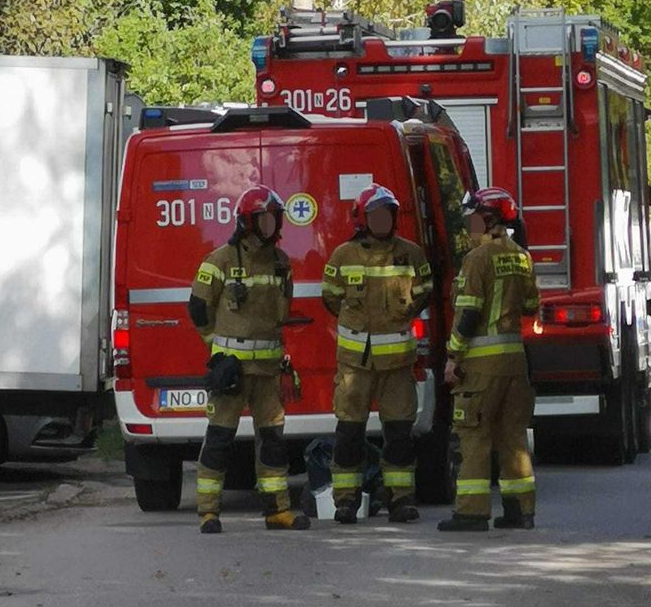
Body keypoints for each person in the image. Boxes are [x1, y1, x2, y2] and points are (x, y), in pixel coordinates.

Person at [188, 185, 310, 534]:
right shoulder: (219, 261)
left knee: (272, 442)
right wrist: (217, 349)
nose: (271, 226)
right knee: (220, 439)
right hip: (233, 372)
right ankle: (209, 513)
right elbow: (198, 307)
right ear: (247, 222)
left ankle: (277, 512)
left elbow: (282, 310)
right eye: (265, 219)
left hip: (268, 371)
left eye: (274, 219)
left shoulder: (281, 262)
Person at [322, 183, 433, 524]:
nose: (383, 221)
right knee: (349, 435)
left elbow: (425, 291)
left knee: (399, 434)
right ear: (363, 219)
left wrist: (403, 313)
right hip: (356, 365)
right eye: (377, 216)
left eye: (388, 215)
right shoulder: (343, 255)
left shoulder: (410, 253)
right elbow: (330, 297)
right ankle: (345, 501)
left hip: (398, 365)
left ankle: (400, 501)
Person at [438, 187, 540, 532]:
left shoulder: (477, 258)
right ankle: (520, 511)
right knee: (513, 436)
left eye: (475, 218)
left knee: (474, 434)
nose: (470, 225)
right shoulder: (522, 257)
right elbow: (530, 307)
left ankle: (472, 511)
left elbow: (468, 314)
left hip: (481, 365)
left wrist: (453, 355)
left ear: (491, 219)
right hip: (515, 364)